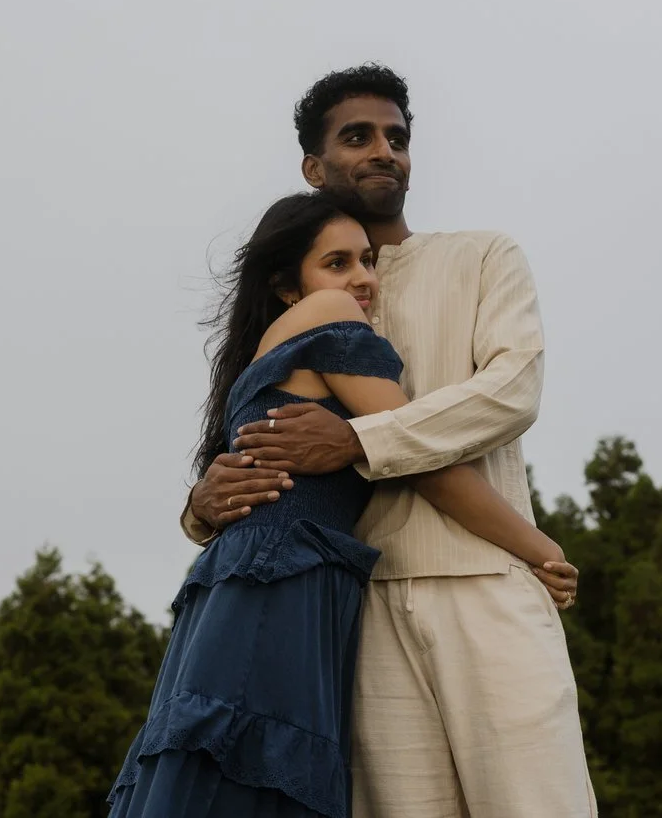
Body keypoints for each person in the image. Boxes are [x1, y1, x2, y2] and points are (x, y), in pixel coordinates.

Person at [183, 64, 598, 816]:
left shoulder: (482, 256)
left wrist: (362, 441)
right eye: (358, 137)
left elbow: (511, 392)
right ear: (314, 166)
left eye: (398, 139)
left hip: (483, 577)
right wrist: (202, 504)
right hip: (356, 607)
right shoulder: (306, 297)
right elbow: (262, 430)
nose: (385, 152)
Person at [109, 192, 576, 818]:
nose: (360, 279)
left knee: (244, 779)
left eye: (366, 260)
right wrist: (539, 548)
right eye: (336, 263)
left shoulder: (264, 352)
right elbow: (424, 461)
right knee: (254, 775)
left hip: (265, 579)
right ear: (287, 286)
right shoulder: (329, 315)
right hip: (284, 582)